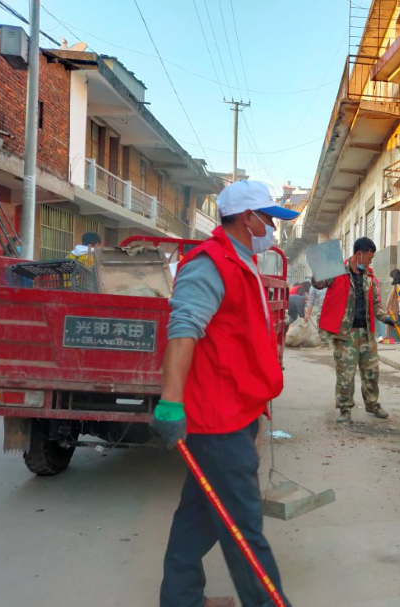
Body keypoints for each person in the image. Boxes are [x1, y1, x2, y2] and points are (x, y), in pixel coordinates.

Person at [150, 180, 297, 607]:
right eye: (268, 218)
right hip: (217, 421)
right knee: (244, 530)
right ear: (247, 218)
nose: (272, 226)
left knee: (196, 519)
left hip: (235, 411)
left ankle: (181, 600)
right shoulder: (209, 263)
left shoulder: (241, 261)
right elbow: (183, 332)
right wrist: (170, 404)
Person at [312, 237, 396, 422]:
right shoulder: (337, 271)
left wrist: (385, 317)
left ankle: (372, 404)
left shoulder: (370, 276)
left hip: (366, 333)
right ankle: (345, 409)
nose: (370, 261)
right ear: (359, 254)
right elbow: (319, 284)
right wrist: (319, 268)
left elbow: (376, 303)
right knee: (345, 374)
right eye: (369, 257)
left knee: (371, 372)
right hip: (345, 334)